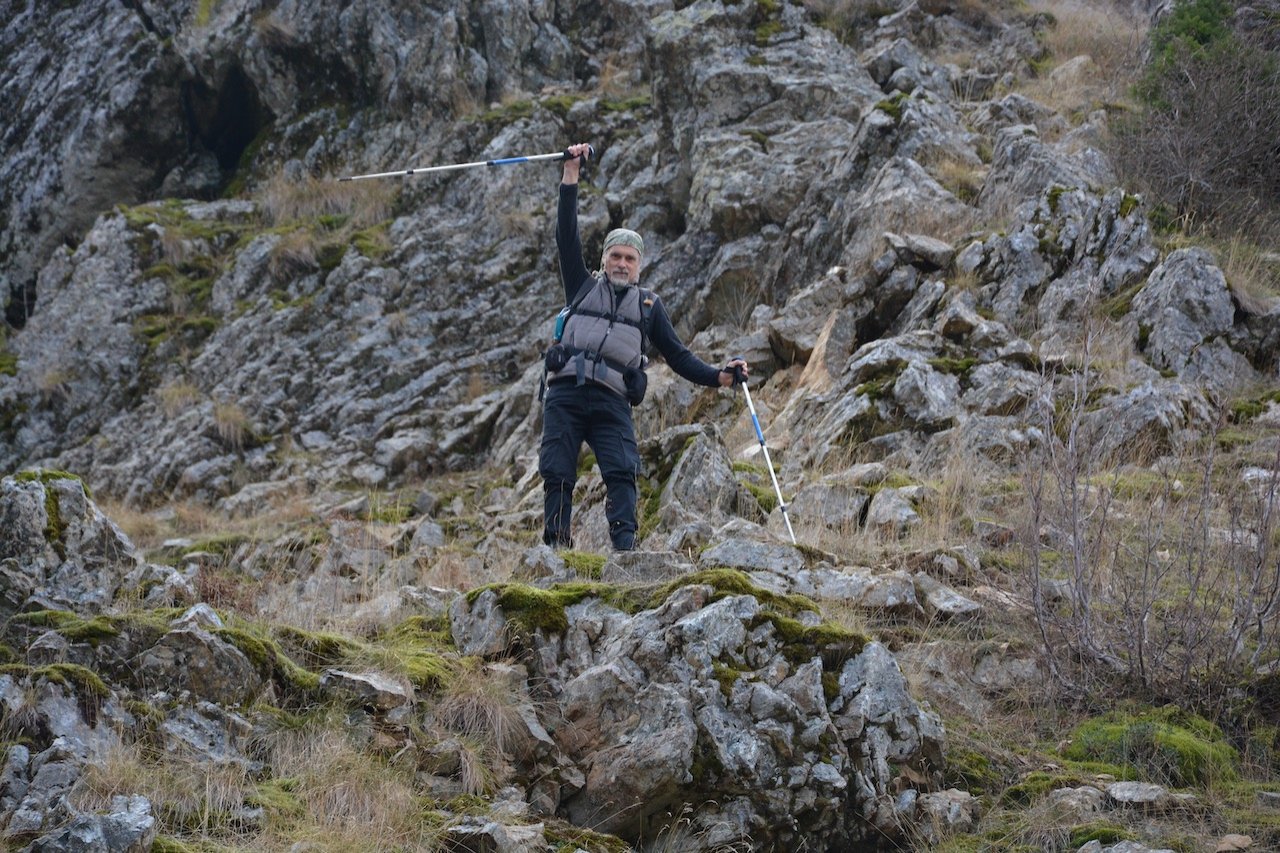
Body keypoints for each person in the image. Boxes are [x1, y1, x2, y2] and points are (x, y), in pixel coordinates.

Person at [539, 142, 749, 551]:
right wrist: (570, 176)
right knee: (557, 471)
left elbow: (679, 356)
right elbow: (566, 234)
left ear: (640, 265)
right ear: (604, 260)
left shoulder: (650, 306)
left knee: (622, 471)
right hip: (564, 394)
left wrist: (720, 377)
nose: (621, 263)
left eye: (629, 258)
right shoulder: (581, 286)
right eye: (615, 256)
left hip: (612, 402)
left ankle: (625, 553)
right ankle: (556, 555)